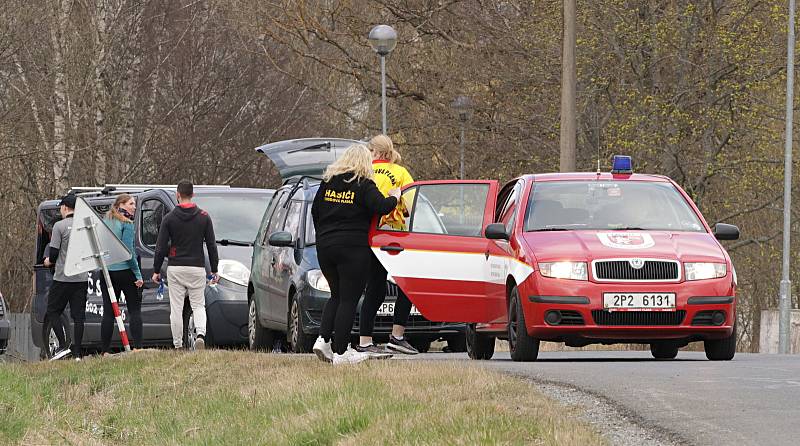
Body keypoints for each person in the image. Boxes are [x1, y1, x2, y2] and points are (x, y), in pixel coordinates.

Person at [311, 144, 400, 365]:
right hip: (352, 248)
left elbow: (315, 211)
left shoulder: (328, 182)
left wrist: (324, 235)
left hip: (325, 247)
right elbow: (382, 206)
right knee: (349, 299)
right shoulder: (363, 184)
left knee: (336, 295)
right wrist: (395, 196)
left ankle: (323, 340)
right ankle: (341, 352)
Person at [357, 135, 419, 355]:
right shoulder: (401, 173)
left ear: (375, 152)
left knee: (374, 288)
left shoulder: (363, 172)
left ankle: (365, 340)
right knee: (405, 285)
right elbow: (412, 207)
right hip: (396, 237)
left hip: (371, 236)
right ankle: (397, 336)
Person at [152, 181, 219, 350]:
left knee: (176, 307)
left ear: (177, 195)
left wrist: (156, 270)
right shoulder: (204, 217)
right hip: (197, 267)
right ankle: (201, 335)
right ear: (193, 195)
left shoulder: (169, 218)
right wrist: (214, 269)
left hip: (176, 267)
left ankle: (177, 345)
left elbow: (160, 248)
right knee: (198, 304)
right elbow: (211, 245)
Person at [44, 192, 89, 361]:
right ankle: (77, 353)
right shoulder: (85, 225)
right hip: (81, 278)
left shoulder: (59, 226)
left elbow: (54, 253)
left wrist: (48, 261)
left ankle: (63, 346)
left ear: (64, 208)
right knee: (78, 317)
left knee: (53, 311)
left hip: (63, 277)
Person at [99, 194, 144, 355]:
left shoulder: (105, 222)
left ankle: (105, 351)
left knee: (109, 313)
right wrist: (138, 274)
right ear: (121, 205)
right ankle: (138, 348)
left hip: (107, 272)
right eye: (131, 204)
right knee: (134, 310)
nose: (134, 207)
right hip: (125, 271)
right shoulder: (127, 223)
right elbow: (128, 252)